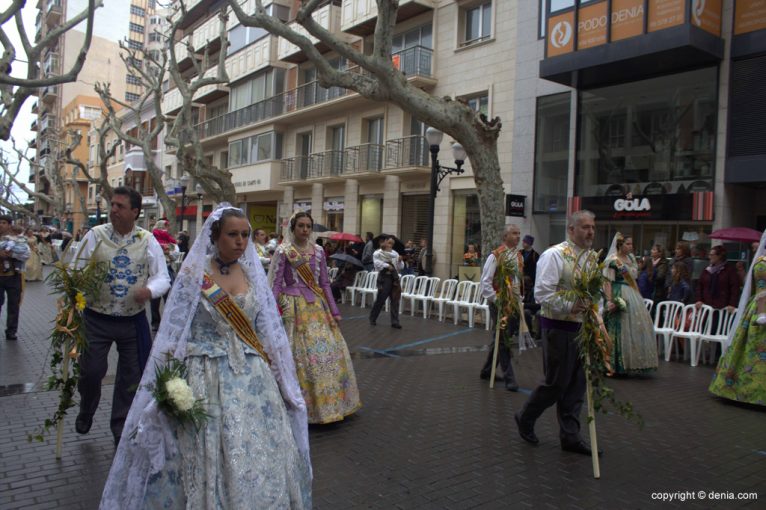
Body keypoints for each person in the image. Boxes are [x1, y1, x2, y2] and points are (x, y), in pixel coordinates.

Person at [99, 205, 312, 509]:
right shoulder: (192, 275)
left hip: (252, 376)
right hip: (203, 373)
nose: (240, 241)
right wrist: (168, 380)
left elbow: (265, 329)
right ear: (215, 236)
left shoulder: (253, 273)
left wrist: (285, 380)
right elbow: (174, 331)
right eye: (232, 234)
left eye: (245, 235)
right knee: (198, 449)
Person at [73, 187, 171, 446]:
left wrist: (149, 291)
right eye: (112, 205)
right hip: (97, 317)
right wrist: (78, 290)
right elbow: (76, 268)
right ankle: (87, 408)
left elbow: (163, 276)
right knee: (91, 371)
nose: (113, 210)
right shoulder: (95, 235)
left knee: (130, 376)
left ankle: (120, 425)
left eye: (120, 206)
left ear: (135, 212)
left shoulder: (147, 239)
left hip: (132, 320)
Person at [515, 210, 602, 456]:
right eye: (585, 227)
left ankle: (570, 436)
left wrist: (598, 316)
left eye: (592, 227)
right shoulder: (555, 255)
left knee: (577, 384)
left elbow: (596, 294)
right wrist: (569, 305)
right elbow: (542, 293)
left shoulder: (591, 259)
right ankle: (525, 416)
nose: (590, 232)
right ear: (571, 230)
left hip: (582, 328)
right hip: (558, 327)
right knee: (556, 382)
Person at [270, 212, 361, 424]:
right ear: (292, 228)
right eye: (301, 225)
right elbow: (275, 283)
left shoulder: (318, 251)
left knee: (326, 355)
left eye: (308, 226)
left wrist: (334, 309)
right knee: (298, 356)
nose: (305, 230)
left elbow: (325, 283)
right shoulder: (284, 251)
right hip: (293, 308)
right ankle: (300, 404)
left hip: (317, 308)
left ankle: (330, 403)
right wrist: (272, 310)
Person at [709, 229, 766, 407]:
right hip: (760, 312)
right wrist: (762, 314)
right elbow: (762, 292)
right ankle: (747, 391)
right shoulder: (762, 264)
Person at [478, 224, 527, 391]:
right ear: (505, 236)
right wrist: (496, 299)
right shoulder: (496, 255)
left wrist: (519, 298)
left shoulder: (519, 256)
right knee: (504, 338)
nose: (518, 236)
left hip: (513, 303)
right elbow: (485, 280)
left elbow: (517, 281)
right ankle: (509, 378)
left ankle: (486, 370)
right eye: (514, 233)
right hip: (499, 303)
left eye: (519, 233)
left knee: (500, 337)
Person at [603, 233, 658, 374]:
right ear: (620, 245)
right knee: (618, 327)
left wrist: (638, 295)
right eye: (628, 244)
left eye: (632, 244)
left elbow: (634, 279)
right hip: (618, 292)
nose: (631, 247)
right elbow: (607, 281)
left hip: (632, 293)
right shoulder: (612, 260)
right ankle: (615, 363)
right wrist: (609, 301)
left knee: (636, 327)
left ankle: (634, 362)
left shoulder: (632, 258)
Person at [0, 215, 30, 341]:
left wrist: (11, 253)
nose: (1, 225)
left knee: (13, 305)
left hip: (13, 276)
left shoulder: (18, 239)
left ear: (9, 224)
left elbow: (26, 254)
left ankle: (11, 331)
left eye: (4, 222)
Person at [369, 235, 404, 329]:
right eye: (389, 242)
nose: (390, 245)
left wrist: (400, 261)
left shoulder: (395, 253)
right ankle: (373, 317)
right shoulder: (378, 253)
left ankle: (395, 321)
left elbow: (401, 267)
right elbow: (376, 263)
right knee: (381, 299)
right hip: (385, 278)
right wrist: (386, 265)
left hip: (395, 278)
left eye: (392, 243)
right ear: (384, 242)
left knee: (395, 300)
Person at [150, 220, 179, 332]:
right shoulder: (152, 240)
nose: (167, 228)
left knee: (169, 298)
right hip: (156, 272)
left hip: (167, 270)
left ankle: (167, 322)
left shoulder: (171, 242)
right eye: (165, 226)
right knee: (155, 299)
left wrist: (168, 253)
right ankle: (156, 322)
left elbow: (176, 255)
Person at [696, 245, 740, 312]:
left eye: (712, 255)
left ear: (719, 256)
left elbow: (734, 288)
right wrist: (699, 300)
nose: (709, 257)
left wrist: (732, 304)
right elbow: (700, 286)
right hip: (706, 306)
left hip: (722, 307)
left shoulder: (729, 270)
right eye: (709, 254)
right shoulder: (706, 270)